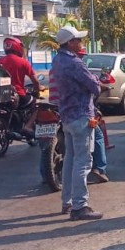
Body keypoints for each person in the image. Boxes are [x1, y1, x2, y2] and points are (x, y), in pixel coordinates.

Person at [51, 25, 104, 220]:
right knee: (83, 161)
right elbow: (94, 86)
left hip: (67, 116)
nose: (81, 43)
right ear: (70, 43)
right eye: (78, 40)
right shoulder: (75, 63)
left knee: (71, 160)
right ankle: (80, 205)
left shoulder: (58, 61)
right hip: (82, 116)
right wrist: (98, 83)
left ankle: (68, 201)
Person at [40, 49, 110, 185]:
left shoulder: (56, 67)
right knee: (97, 136)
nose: (81, 58)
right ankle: (99, 169)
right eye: (81, 55)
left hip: (55, 106)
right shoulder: (76, 67)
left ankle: (44, 173)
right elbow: (92, 86)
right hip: (76, 110)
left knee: (46, 140)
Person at [0, 37, 40, 137]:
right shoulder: (23, 62)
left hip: (2, 95)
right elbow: (35, 81)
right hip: (19, 95)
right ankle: (28, 126)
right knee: (37, 105)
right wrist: (37, 90)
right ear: (18, 47)